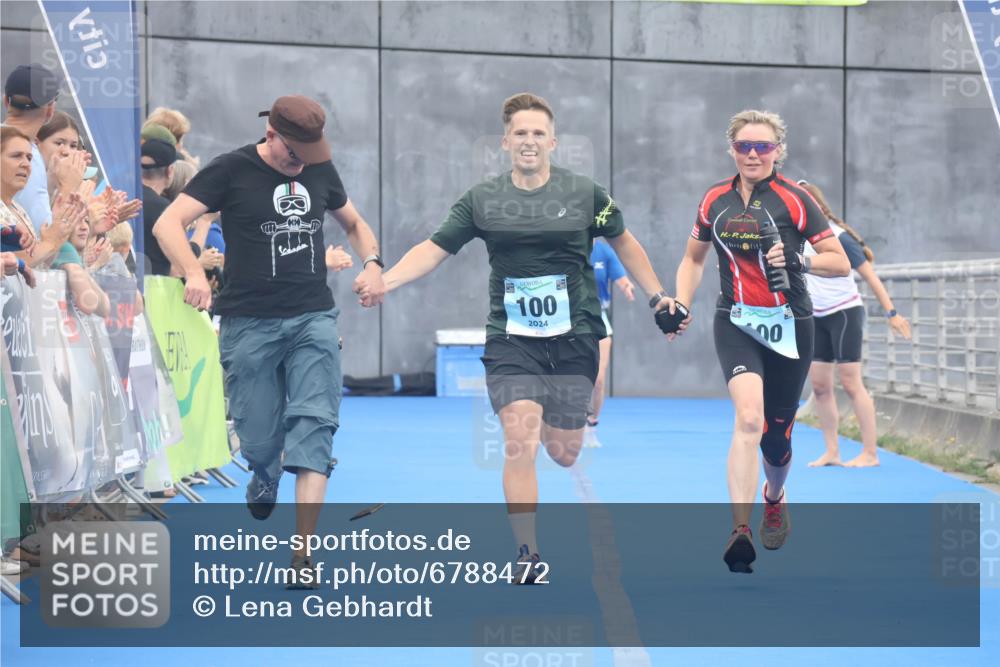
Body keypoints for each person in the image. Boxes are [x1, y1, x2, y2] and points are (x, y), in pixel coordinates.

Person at [356, 93, 674, 582]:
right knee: (518, 440)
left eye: (537, 133)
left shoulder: (584, 193)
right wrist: (386, 281)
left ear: (553, 141)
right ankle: (528, 554)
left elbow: (624, 243)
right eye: (520, 133)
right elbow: (433, 249)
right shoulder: (483, 200)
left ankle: (583, 395)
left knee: (563, 451)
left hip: (575, 338)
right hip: (513, 340)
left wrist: (658, 299)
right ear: (506, 142)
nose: (529, 141)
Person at [152, 95, 384, 586]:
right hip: (249, 322)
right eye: (294, 149)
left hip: (312, 318)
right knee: (258, 438)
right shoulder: (230, 170)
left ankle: (303, 554)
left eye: (309, 150)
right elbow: (166, 222)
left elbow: (356, 225)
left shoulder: (320, 170)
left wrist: (373, 265)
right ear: (272, 134)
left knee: (315, 426)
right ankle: (263, 471)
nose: (302, 160)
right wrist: (193, 271)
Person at [672, 109, 849, 573]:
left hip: (791, 323)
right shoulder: (714, 199)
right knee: (748, 418)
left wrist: (799, 260)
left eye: (763, 147)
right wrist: (682, 302)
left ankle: (774, 495)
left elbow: (839, 261)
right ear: (732, 150)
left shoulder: (796, 201)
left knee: (776, 438)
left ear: (777, 151)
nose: (753, 154)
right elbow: (693, 260)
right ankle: (739, 530)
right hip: (736, 321)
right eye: (744, 146)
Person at [799, 181, 912, 469]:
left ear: (818, 206)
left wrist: (892, 314)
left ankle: (870, 453)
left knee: (850, 382)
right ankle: (832, 451)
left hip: (844, 313)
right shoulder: (796, 237)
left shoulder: (838, 238)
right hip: (816, 315)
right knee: (820, 386)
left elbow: (871, 278)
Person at [582, 238, 634, 448]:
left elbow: (621, 278)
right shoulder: (565, 244)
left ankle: (591, 426)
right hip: (569, 319)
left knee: (599, 380)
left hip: (598, 318)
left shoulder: (604, 252)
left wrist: (626, 286)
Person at [140, 137, 179, 276]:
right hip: (153, 291)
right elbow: (181, 257)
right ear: (170, 171)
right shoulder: (163, 208)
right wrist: (203, 225)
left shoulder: (122, 196)